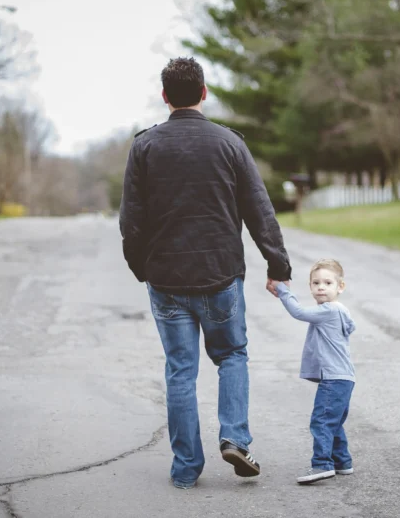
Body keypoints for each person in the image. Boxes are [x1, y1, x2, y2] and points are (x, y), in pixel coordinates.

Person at [119, 57, 293, 489]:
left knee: (181, 370)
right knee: (231, 355)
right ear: (204, 92)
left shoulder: (145, 147)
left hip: (167, 280)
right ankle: (234, 437)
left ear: (165, 97)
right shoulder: (229, 143)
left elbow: (131, 221)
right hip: (221, 276)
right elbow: (259, 209)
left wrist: (143, 268)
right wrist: (278, 265)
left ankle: (185, 468)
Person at [271, 259, 356, 485]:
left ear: (340, 287)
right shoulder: (339, 311)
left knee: (321, 421)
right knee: (333, 422)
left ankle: (322, 464)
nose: (321, 287)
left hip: (334, 378)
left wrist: (282, 289)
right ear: (310, 287)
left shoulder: (328, 310)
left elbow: (298, 312)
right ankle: (342, 462)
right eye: (315, 283)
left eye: (328, 282)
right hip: (344, 378)